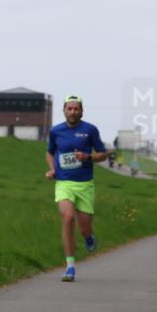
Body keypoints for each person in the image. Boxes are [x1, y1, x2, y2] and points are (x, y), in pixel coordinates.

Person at [45, 95, 107, 281]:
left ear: (82, 111)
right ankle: (70, 267)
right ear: (64, 110)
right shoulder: (56, 131)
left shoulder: (90, 130)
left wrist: (87, 157)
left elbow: (102, 154)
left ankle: (89, 238)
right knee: (67, 218)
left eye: (76, 109)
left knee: (84, 228)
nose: (73, 112)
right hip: (64, 183)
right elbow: (49, 152)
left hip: (85, 184)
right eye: (69, 108)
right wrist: (52, 169)